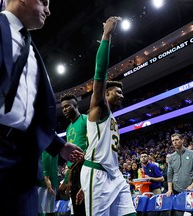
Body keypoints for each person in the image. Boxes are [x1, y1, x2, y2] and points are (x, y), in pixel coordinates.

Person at [0, 0, 83, 215]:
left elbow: (27, 110)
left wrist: (58, 145)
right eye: (44, 2)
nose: (49, 9)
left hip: (23, 160)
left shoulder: (34, 53)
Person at [80, 16, 136, 216]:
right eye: (116, 92)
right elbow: (100, 74)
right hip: (98, 174)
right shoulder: (99, 107)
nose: (121, 94)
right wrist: (106, 35)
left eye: (121, 92)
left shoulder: (111, 117)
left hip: (115, 176)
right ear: (105, 93)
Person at [60, 93, 88, 216]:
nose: (64, 109)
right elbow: (69, 158)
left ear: (75, 105)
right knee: (77, 209)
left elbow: (94, 143)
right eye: (63, 108)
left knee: (87, 207)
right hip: (73, 172)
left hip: (86, 167)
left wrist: (84, 158)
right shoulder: (68, 128)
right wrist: (67, 180)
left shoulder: (86, 119)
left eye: (67, 106)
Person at [38, 151, 59, 216]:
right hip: (49, 178)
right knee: (48, 210)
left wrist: (46, 177)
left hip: (43, 181)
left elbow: (47, 154)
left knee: (43, 210)